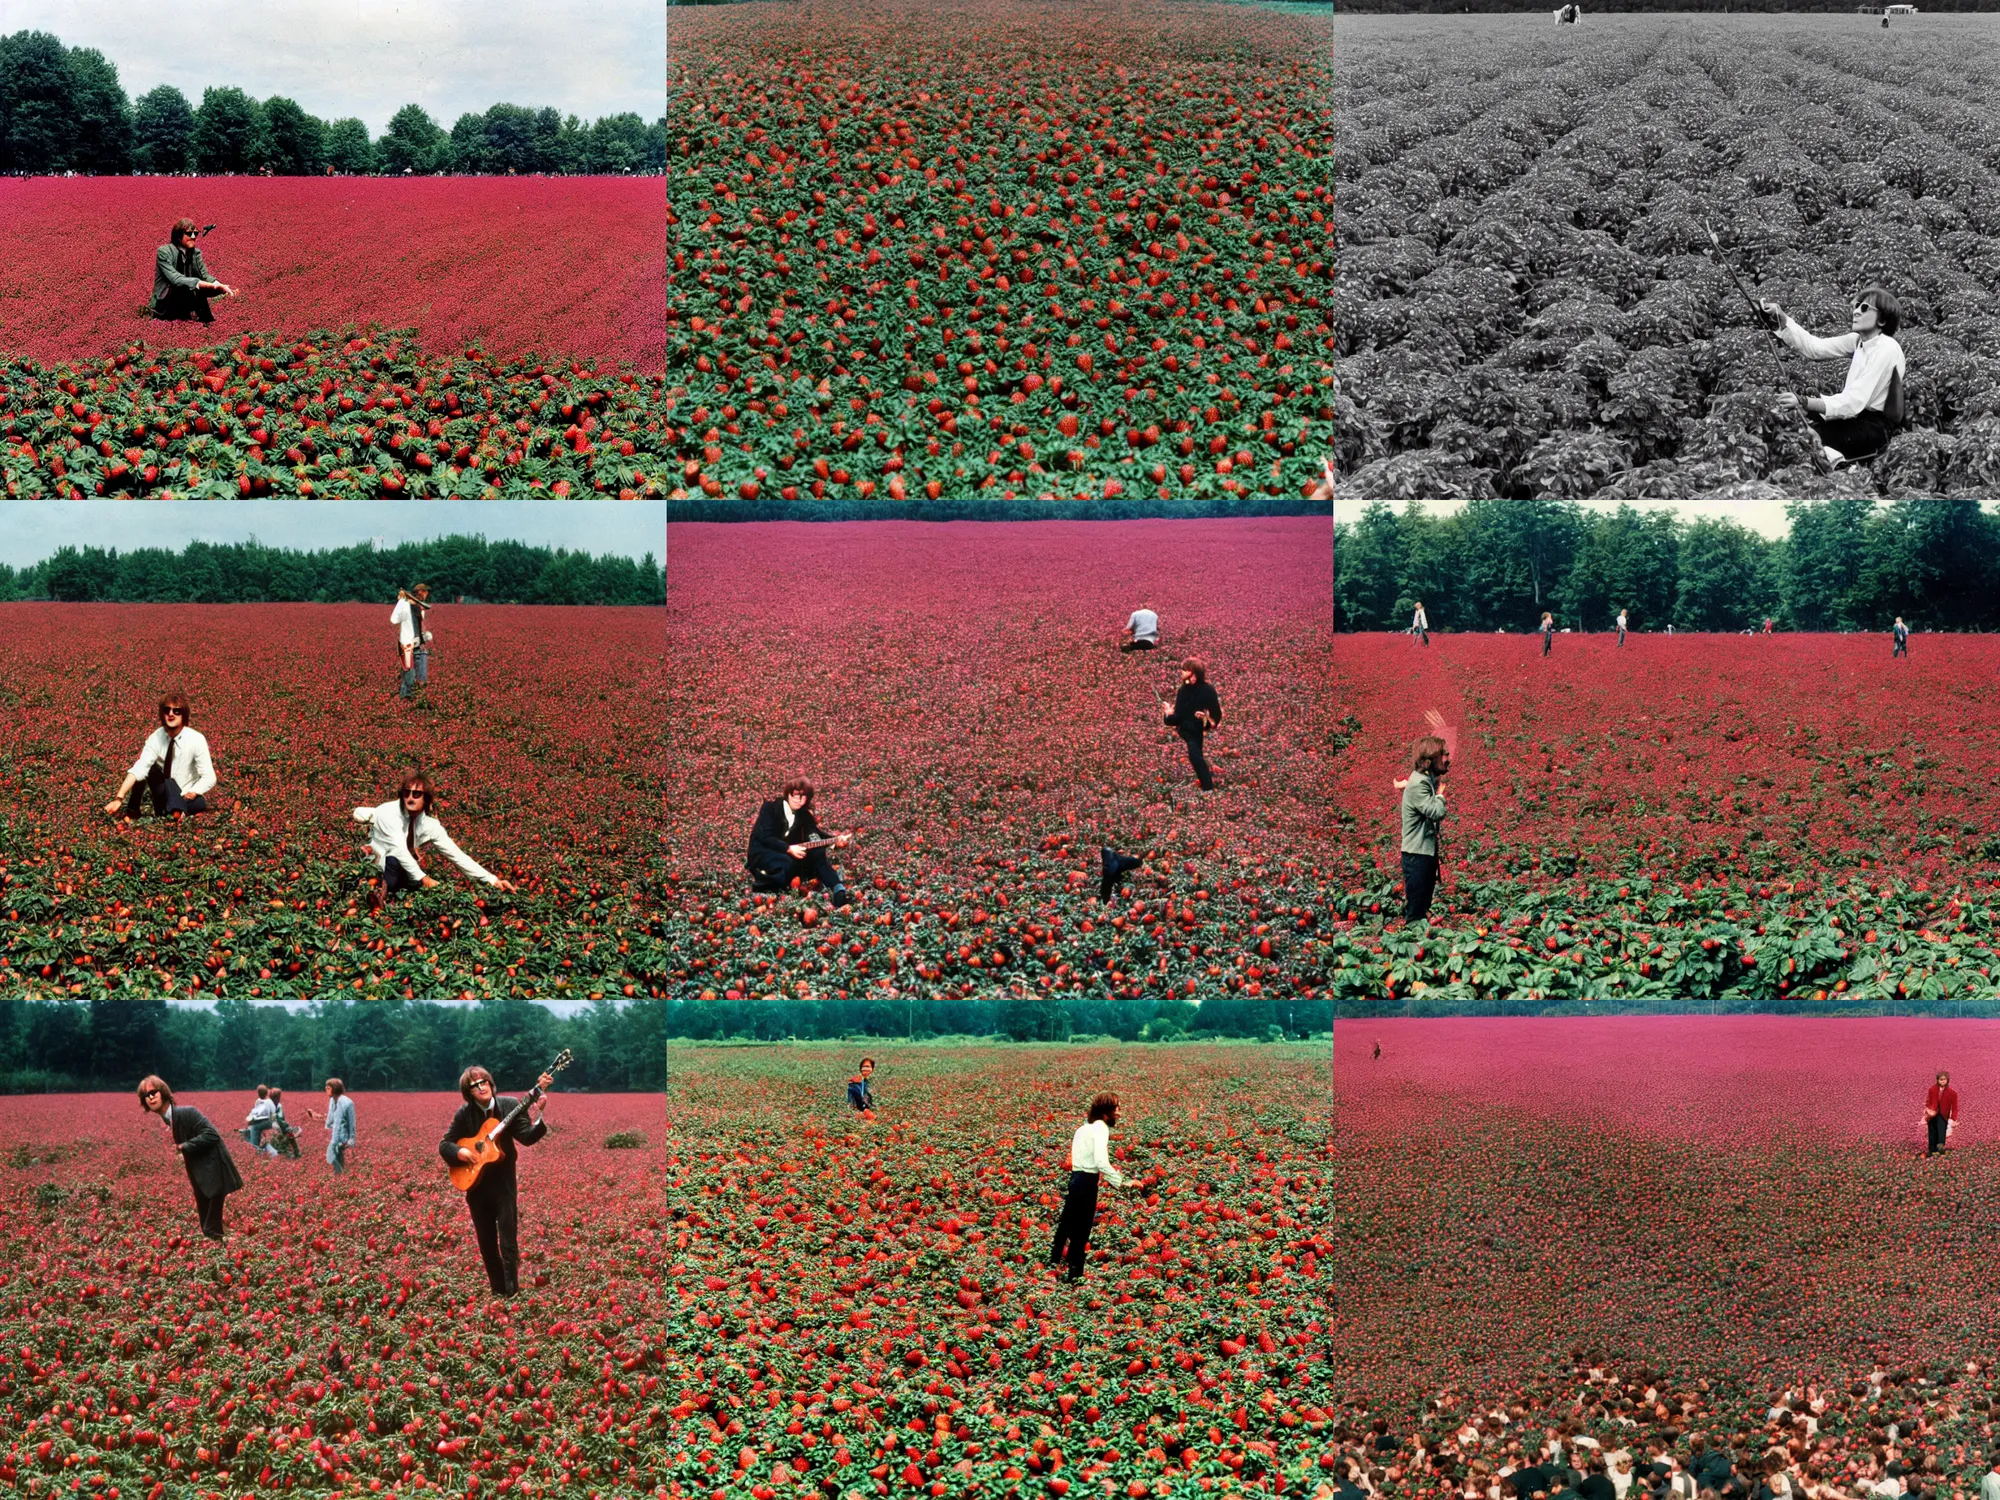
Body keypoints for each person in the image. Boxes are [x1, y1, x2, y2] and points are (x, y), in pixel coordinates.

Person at [1759, 287, 1907, 467]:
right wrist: (1781, 317)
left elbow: (1852, 402)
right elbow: (1814, 348)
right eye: (1857, 306)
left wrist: (1804, 401)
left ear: (1882, 320)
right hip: (1855, 419)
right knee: (1799, 427)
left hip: (1875, 429)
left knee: (1809, 438)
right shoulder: (1858, 341)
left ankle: (1844, 469)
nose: (1856, 311)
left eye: (1865, 308)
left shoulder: (1887, 348)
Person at [439, 1064, 552, 1296]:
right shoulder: (464, 1114)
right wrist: (461, 1153)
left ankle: (513, 1292)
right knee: (487, 1246)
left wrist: (539, 1114)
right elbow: (445, 1145)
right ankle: (497, 1293)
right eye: (475, 1085)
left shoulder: (510, 1105)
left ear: (491, 1084)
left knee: (508, 1243)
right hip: (476, 1187)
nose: (482, 1087)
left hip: (504, 1185)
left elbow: (527, 1137)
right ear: (468, 1092)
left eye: (485, 1082)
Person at [354, 772, 519, 910]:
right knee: (394, 861)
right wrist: (425, 879)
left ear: (427, 799)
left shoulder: (430, 825)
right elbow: (399, 850)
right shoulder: (388, 812)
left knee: (408, 873)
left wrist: (492, 879)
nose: (410, 798)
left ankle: (394, 893)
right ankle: (378, 898)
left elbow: (456, 855)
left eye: (417, 794)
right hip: (380, 862)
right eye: (407, 793)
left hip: (405, 868)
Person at [139, 1074, 242, 1242]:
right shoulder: (169, 1120)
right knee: (205, 1212)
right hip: (199, 1169)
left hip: (213, 1165)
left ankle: (216, 1243)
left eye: (153, 1092)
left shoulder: (187, 1112)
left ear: (163, 1093)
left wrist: (183, 1146)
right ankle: (215, 1244)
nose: (150, 1098)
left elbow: (212, 1134)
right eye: (145, 1096)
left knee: (211, 1215)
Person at [1047, 1091, 1128, 1283]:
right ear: (1106, 1112)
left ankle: (1052, 1264)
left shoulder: (1083, 1129)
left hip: (1076, 1178)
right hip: (1087, 1181)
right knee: (1081, 1230)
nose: (1119, 1113)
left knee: (1066, 1223)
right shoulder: (1101, 1129)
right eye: (1116, 1108)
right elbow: (1100, 1161)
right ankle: (1075, 1275)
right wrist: (1121, 1182)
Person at [105, 691, 216, 819]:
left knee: (199, 802)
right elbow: (139, 768)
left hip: (185, 794)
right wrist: (119, 797)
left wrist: (193, 792)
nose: (171, 714)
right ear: (162, 714)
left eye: (176, 711)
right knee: (148, 770)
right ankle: (134, 811)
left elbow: (209, 777)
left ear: (184, 715)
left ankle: (175, 810)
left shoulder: (196, 739)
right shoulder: (155, 738)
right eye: (167, 710)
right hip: (163, 792)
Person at [745, 777, 854, 906]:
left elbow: (814, 833)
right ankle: (763, 886)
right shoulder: (770, 808)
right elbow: (764, 837)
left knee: (817, 851)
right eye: (796, 795)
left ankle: (837, 888)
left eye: (803, 797)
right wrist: (788, 848)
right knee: (787, 864)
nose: (798, 800)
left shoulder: (804, 815)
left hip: (788, 852)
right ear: (788, 794)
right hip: (763, 851)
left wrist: (834, 840)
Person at [1398, 734, 1451, 922]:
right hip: (1417, 855)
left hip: (1423, 853)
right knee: (1416, 912)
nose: (1447, 759)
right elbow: (1436, 812)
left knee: (1423, 905)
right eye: (1443, 754)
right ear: (1430, 759)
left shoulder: (1424, 779)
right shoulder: (1419, 783)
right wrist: (1440, 796)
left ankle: (1418, 943)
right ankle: (1411, 945)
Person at [151, 218, 236, 322]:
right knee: (192, 285)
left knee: (198, 286)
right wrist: (212, 286)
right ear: (178, 236)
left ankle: (207, 322)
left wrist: (220, 285)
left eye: (195, 234)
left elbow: (205, 275)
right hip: (166, 301)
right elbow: (176, 279)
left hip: (186, 297)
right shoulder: (164, 252)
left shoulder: (195, 253)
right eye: (189, 234)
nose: (193, 237)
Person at [1160, 656, 1223, 791]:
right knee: (1195, 756)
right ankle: (1207, 786)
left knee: (1195, 756)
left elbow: (1215, 715)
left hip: (1192, 730)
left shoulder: (1201, 690)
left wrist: (1205, 718)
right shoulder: (1186, 690)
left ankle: (1208, 787)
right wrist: (1169, 713)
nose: (1182, 673)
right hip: (1189, 730)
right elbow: (1179, 717)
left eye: (1184, 670)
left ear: (1192, 672)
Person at [390, 585, 434, 700]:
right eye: (425, 592)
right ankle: (405, 700)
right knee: (409, 676)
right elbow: (394, 620)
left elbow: (419, 625)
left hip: (418, 645)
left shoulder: (419, 606)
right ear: (420, 592)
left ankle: (416, 701)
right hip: (407, 645)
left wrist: (424, 636)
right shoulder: (404, 604)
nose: (426, 595)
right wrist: (401, 604)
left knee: (420, 677)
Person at [322, 1078, 356, 1173]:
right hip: (334, 1136)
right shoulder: (332, 1101)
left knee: (335, 1158)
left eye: (328, 1088)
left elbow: (351, 1123)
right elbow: (331, 1119)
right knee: (333, 1158)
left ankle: (340, 1176)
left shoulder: (348, 1103)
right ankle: (339, 1176)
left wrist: (351, 1140)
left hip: (342, 1138)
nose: (326, 1089)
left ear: (334, 1089)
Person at [1923, 1070, 1957, 1156]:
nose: (1943, 1081)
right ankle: (1932, 1149)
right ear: (1937, 1080)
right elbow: (1928, 1101)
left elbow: (1955, 1107)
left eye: (1944, 1079)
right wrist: (1929, 1109)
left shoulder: (1952, 1093)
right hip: (1933, 1114)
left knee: (1941, 1130)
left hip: (1943, 1114)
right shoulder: (1932, 1090)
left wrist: (1952, 1118)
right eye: (1941, 1079)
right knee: (1932, 1131)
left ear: (1947, 1080)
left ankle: (1940, 1146)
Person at [244, 1084, 278, 1156]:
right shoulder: (262, 1101)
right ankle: (259, 1147)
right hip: (264, 1122)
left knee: (254, 1128)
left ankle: (255, 1147)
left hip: (266, 1122)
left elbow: (271, 1114)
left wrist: (273, 1122)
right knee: (251, 1128)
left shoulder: (266, 1102)